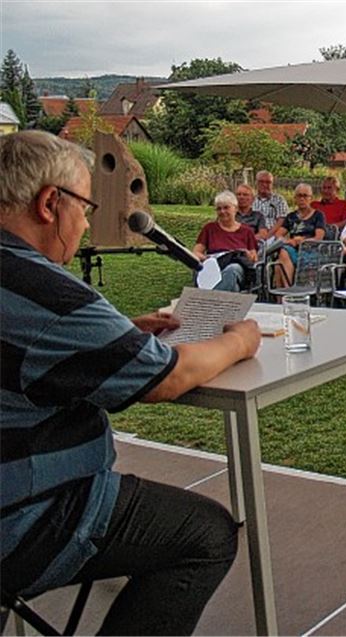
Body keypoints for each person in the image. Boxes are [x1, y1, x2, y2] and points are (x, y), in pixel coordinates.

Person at [0, 130, 261, 635]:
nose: (86, 224)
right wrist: (238, 341)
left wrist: (116, 336)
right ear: (50, 203)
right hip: (22, 519)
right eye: (84, 207)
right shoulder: (45, 292)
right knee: (206, 535)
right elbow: (168, 377)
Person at [192, 190, 259, 292]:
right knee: (233, 287)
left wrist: (246, 254)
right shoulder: (209, 228)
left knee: (232, 270)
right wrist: (207, 259)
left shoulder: (247, 231)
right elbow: (196, 252)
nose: (222, 211)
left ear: (235, 209)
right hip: (214, 267)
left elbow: (254, 258)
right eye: (219, 209)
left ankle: (209, 298)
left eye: (226, 207)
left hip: (237, 268)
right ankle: (226, 299)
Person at [272, 183, 327, 287]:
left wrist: (303, 240)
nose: (302, 199)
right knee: (282, 255)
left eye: (305, 196)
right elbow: (278, 234)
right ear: (295, 198)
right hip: (292, 249)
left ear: (311, 198)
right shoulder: (291, 217)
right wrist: (289, 241)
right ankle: (287, 290)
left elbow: (319, 237)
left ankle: (285, 292)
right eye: (299, 195)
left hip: (311, 250)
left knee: (280, 261)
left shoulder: (318, 215)